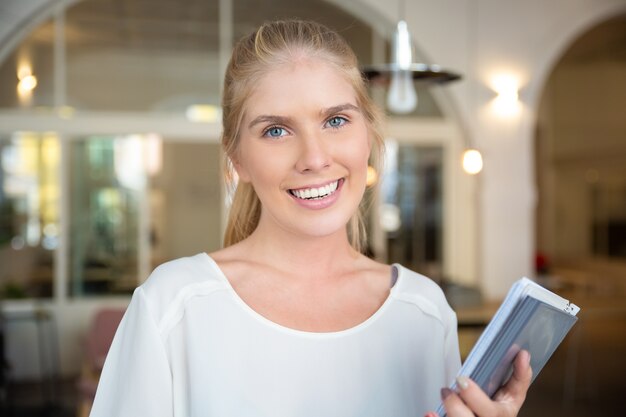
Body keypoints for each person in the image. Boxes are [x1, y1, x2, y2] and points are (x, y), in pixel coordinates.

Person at [89, 19, 531, 417]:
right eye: (276, 130)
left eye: (336, 120)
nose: (315, 158)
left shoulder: (424, 311)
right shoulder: (173, 307)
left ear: (369, 136)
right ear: (237, 159)